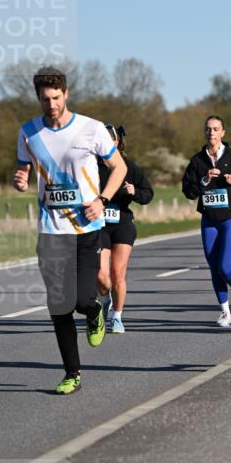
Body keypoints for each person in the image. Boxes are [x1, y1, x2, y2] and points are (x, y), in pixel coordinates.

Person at [13, 67, 127, 394]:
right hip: (50, 231)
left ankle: (94, 311)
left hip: (86, 228)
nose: (50, 104)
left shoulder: (91, 129)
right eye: (44, 99)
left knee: (81, 299)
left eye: (55, 98)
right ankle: (71, 373)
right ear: (38, 98)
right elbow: (23, 169)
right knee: (59, 305)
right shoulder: (28, 132)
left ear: (66, 94)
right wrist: (20, 180)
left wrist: (103, 200)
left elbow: (118, 168)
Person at [182, 115, 231, 327]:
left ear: (223, 132)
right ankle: (225, 312)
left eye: (216, 129)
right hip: (209, 220)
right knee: (214, 268)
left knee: (225, 268)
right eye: (208, 129)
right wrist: (203, 180)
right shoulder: (198, 161)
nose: (212, 133)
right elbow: (188, 190)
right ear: (204, 132)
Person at [97, 125, 154, 333]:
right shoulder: (91, 166)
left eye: (110, 140)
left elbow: (148, 194)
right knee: (101, 275)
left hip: (122, 224)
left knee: (118, 274)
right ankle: (105, 300)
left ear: (117, 142)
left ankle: (117, 317)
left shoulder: (129, 167)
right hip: (99, 226)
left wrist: (135, 192)